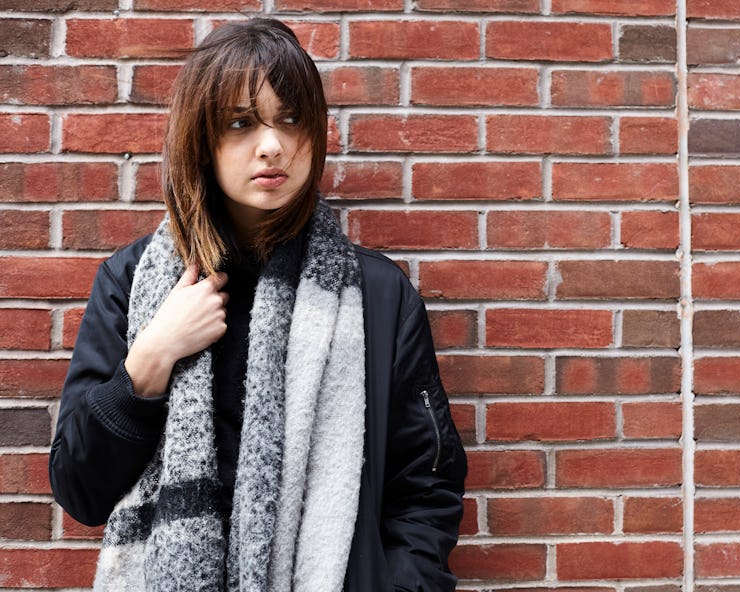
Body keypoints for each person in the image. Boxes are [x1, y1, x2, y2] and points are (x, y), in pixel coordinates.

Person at [49, 18, 466, 592]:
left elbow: (426, 488)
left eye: (290, 118)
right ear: (202, 138)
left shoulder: (377, 296)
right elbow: (80, 491)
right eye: (241, 123)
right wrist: (151, 359)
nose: (272, 145)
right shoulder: (130, 282)